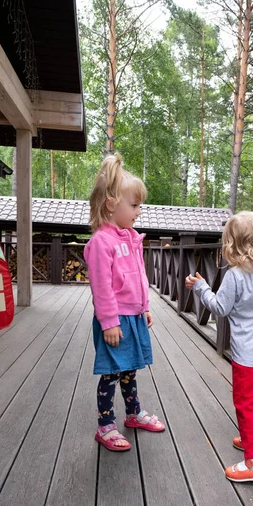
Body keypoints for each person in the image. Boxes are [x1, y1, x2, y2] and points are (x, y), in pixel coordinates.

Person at [185, 211, 253, 483]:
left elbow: (220, 307)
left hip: (247, 355)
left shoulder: (235, 276)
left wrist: (201, 288)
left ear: (232, 245)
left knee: (245, 404)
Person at [84, 153, 165, 452]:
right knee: (111, 373)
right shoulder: (101, 243)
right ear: (111, 204)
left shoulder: (130, 238)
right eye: (134, 205)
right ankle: (105, 426)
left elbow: (139, 277)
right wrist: (109, 323)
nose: (139, 211)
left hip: (133, 316)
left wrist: (144, 307)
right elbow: (102, 288)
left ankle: (133, 414)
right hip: (115, 320)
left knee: (130, 369)